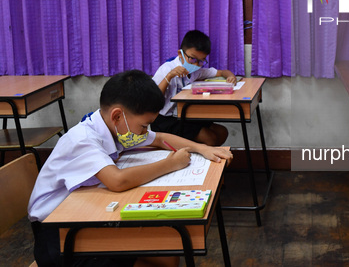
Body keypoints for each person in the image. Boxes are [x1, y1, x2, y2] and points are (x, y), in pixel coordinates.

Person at [28, 69, 233, 267]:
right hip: (58, 234)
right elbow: (117, 181)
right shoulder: (84, 140)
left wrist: (202, 148)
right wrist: (170, 164)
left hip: (86, 217)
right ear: (118, 116)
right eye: (144, 126)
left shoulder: (117, 129)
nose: (145, 131)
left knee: (168, 258)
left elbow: (160, 139)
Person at [152, 30, 237, 146]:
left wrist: (231, 76)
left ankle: (205, 157)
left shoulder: (196, 71)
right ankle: (199, 155)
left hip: (184, 115)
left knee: (222, 132)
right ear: (180, 54)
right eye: (192, 59)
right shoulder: (166, 69)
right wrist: (169, 76)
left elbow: (221, 72)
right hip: (165, 120)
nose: (196, 64)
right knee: (210, 138)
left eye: (201, 61)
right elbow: (152, 100)